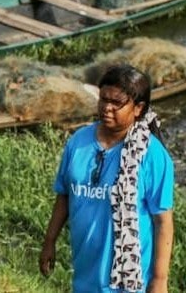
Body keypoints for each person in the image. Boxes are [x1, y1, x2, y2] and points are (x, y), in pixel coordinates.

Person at [40, 65, 174, 293]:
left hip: (129, 282)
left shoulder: (151, 156)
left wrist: (159, 281)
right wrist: (50, 241)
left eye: (116, 103)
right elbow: (64, 196)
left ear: (138, 108)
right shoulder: (78, 142)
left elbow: (163, 222)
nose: (106, 108)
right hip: (85, 275)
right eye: (103, 99)